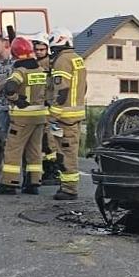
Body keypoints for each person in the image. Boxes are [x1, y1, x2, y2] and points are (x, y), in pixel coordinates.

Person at [0, 37, 50, 195]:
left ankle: (9, 184)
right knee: (34, 151)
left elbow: (10, 88)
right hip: (40, 117)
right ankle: (33, 183)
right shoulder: (40, 70)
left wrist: (17, 100)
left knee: (13, 150)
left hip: (22, 117)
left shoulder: (20, 71)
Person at [44, 28, 87, 200]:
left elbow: (62, 90)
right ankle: (67, 186)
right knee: (70, 151)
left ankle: (69, 189)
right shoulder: (78, 59)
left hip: (64, 117)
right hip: (75, 114)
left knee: (66, 153)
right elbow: (83, 87)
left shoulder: (62, 61)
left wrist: (53, 113)